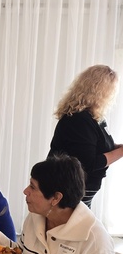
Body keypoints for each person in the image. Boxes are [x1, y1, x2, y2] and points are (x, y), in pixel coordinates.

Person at [49, 64, 123, 207]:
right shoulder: (79, 119)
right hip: (68, 190)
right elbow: (88, 162)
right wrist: (121, 152)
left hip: (82, 191)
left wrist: (117, 147)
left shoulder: (95, 117)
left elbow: (97, 147)